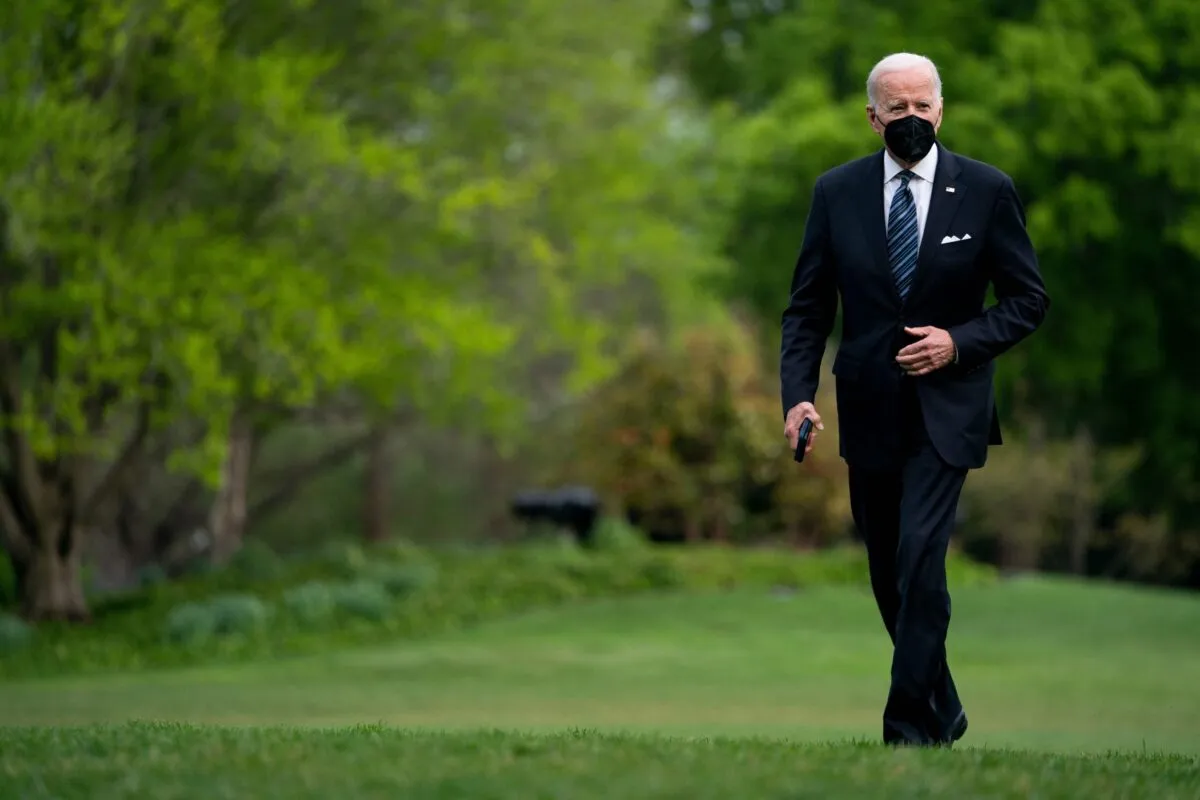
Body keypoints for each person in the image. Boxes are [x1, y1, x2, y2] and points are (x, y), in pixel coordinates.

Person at [778, 52, 1049, 747]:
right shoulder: (835, 193)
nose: (911, 119)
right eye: (896, 109)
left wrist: (957, 342)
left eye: (922, 106)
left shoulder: (986, 191)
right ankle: (944, 703)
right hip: (867, 405)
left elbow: (1027, 301)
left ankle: (906, 732)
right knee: (889, 573)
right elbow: (808, 310)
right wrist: (797, 397)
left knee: (921, 556)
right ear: (873, 117)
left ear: (940, 109)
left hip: (948, 409)